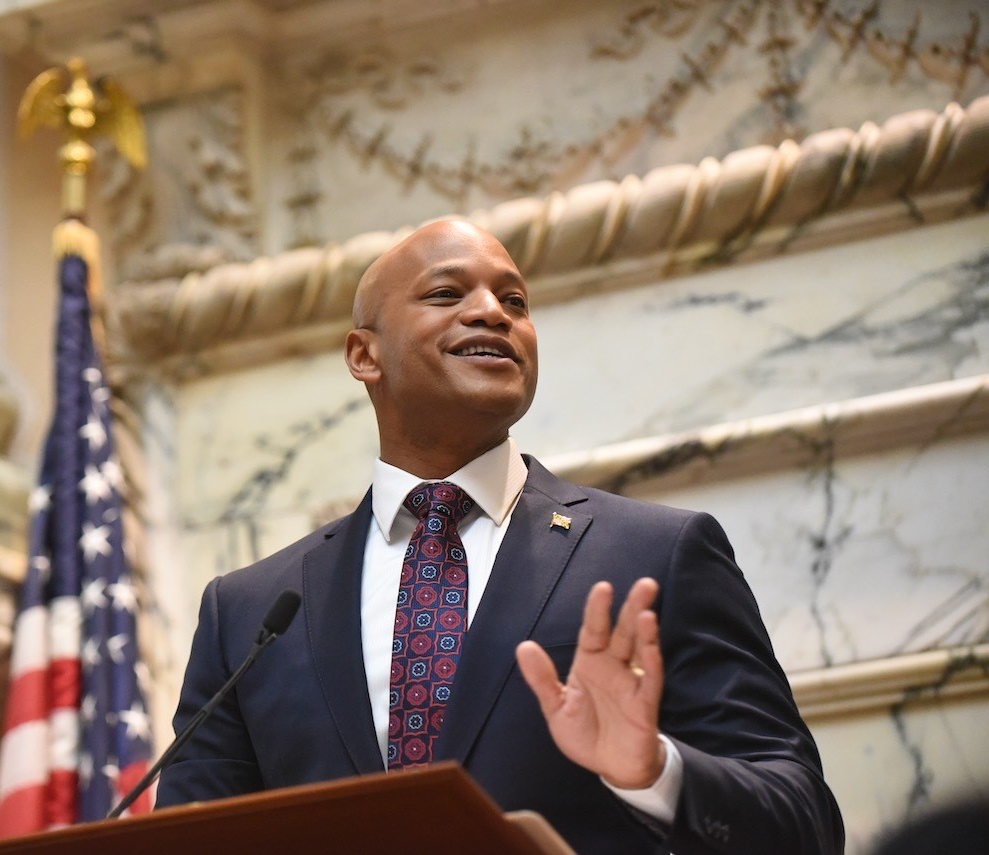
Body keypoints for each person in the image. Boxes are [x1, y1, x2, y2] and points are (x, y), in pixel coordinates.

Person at [156, 218, 845, 854]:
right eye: (448, 292)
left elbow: (803, 821)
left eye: (514, 301)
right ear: (364, 354)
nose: (493, 311)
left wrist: (656, 771)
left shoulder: (655, 554)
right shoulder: (249, 612)